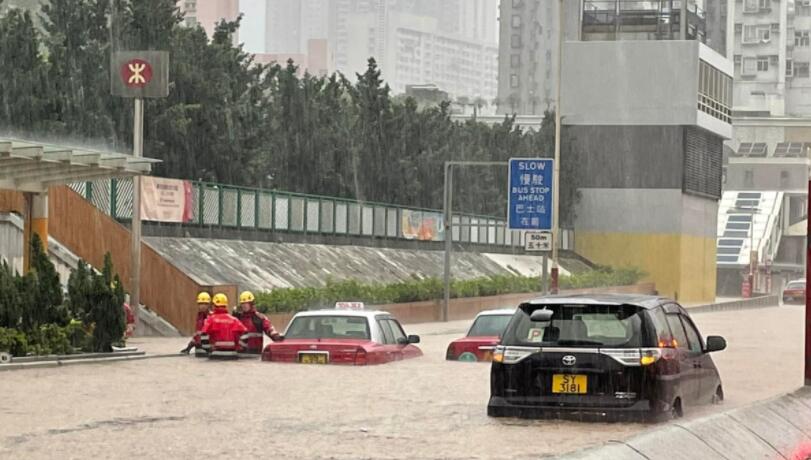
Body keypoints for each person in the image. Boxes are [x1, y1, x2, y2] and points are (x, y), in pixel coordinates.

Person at [200, 293, 246, 360]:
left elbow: (204, 334)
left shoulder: (210, 319)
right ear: (226, 305)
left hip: (216, 355)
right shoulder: (234, 320)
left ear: (214, 306)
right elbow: (245, 334)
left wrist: (208, 349)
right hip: (232, 355)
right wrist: (240, 348)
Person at [181, 292, 212, 356]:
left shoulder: (212, 316)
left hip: (209, 350)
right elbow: (197, 335)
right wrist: (189, 347)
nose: (202, 306)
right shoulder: (199, 317)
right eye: (200, 303)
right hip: (199, 350)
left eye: (205, 304)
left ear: (209, 304)